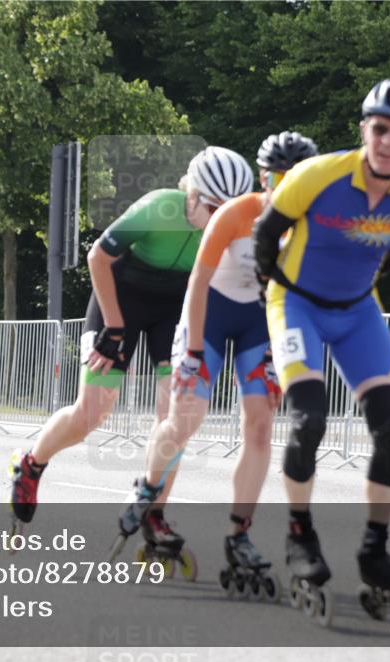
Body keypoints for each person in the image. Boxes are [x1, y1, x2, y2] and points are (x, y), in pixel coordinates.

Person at [252, 78, 390, 621]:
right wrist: (278, 290)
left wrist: (360, 281)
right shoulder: (318, 176)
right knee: (309, 420)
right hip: (296, 305)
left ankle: (374, 553)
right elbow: (266, 237)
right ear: (365, 128)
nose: (387, 140)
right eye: (379, 128)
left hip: (359, 311)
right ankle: (299, 535)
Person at [111, 133, 319, 595]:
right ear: (264, 179)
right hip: (209, 314)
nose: (287, 186)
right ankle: (147, 486)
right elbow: (198, 284)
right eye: (278, 179)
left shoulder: (307, 223)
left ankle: (239, 533)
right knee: (186, 416)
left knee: (261, 423)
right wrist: (192, 355)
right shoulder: (236, 212)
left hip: (256, 322)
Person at [9, 146, 255, 529]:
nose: (220, 220)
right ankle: (31, 464)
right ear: (192, 195)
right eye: (213, 208)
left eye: (230, 210)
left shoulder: (236, 225)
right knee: (92, 411)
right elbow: (98, 258)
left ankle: (154, 511)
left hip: (175, 305)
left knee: (176, 417)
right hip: (122, 296)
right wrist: (114, 326)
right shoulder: (159, 207)